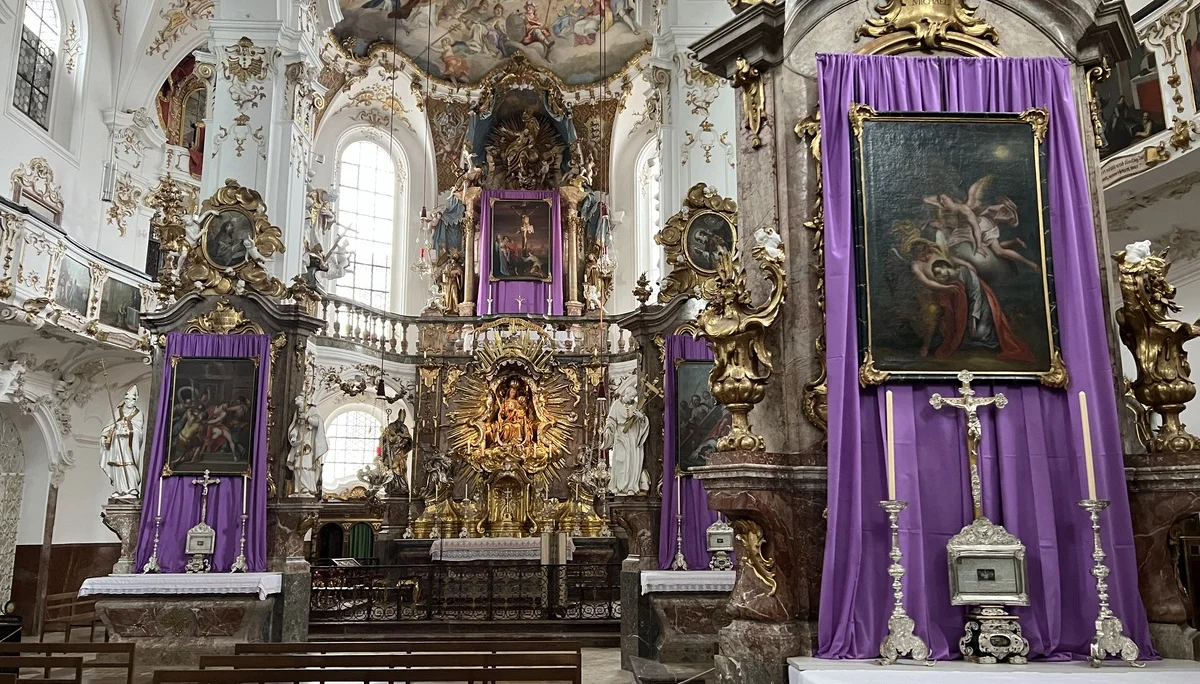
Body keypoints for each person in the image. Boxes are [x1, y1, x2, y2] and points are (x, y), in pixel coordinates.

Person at [100, 386, 144, 498]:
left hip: (129, 445)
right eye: (127, 399)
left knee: (129, 463)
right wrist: (109, 434)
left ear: (136, 399)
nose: (129, 401)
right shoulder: (117, 411)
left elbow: (138, 430)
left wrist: (128, 430)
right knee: (117, 465)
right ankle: (119, 489)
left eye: (132, 399)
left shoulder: (138, 413)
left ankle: (132, 488)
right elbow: (109, 426)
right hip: (117, 443)